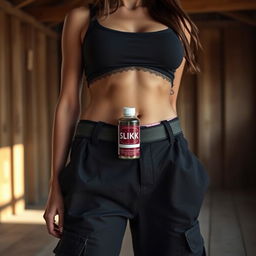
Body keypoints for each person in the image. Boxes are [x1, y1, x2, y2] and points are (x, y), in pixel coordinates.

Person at [43, 0, 210, 255]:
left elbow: (170, 99)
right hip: (97, 161)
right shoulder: (82, 18)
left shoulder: (178, 22)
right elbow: (68, 102)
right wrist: (55, 185)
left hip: (166, 159)